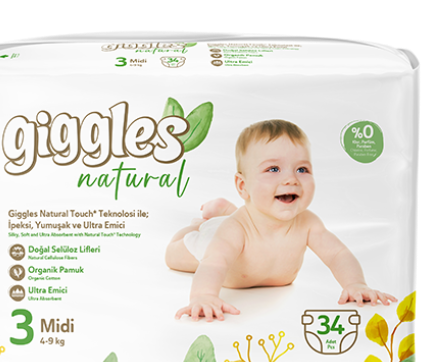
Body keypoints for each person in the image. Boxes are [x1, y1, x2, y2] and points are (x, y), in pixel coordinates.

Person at [165, 119, 397, 322]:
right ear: (243, 186)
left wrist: (355, 284)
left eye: (302, 169)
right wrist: (204, 296)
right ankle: (201, 223)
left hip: (237, 222)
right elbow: (214, 263)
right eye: (274, 169)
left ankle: (225, 209)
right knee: (173, 255)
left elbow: (338, 254)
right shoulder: (235, 229)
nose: (291, 179)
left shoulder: (308, 223)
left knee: (238, 218)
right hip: (212, 241)